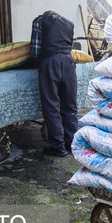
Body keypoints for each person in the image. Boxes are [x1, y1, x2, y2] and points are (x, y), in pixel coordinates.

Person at [31, 11, 79, 157]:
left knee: (51, 106)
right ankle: (72, 144)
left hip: (50, 62)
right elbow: (70, 46)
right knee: (70, 106)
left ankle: (57, 146)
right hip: (68, 63)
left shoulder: (39, 21)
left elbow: (35, 50)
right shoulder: (69, 23)